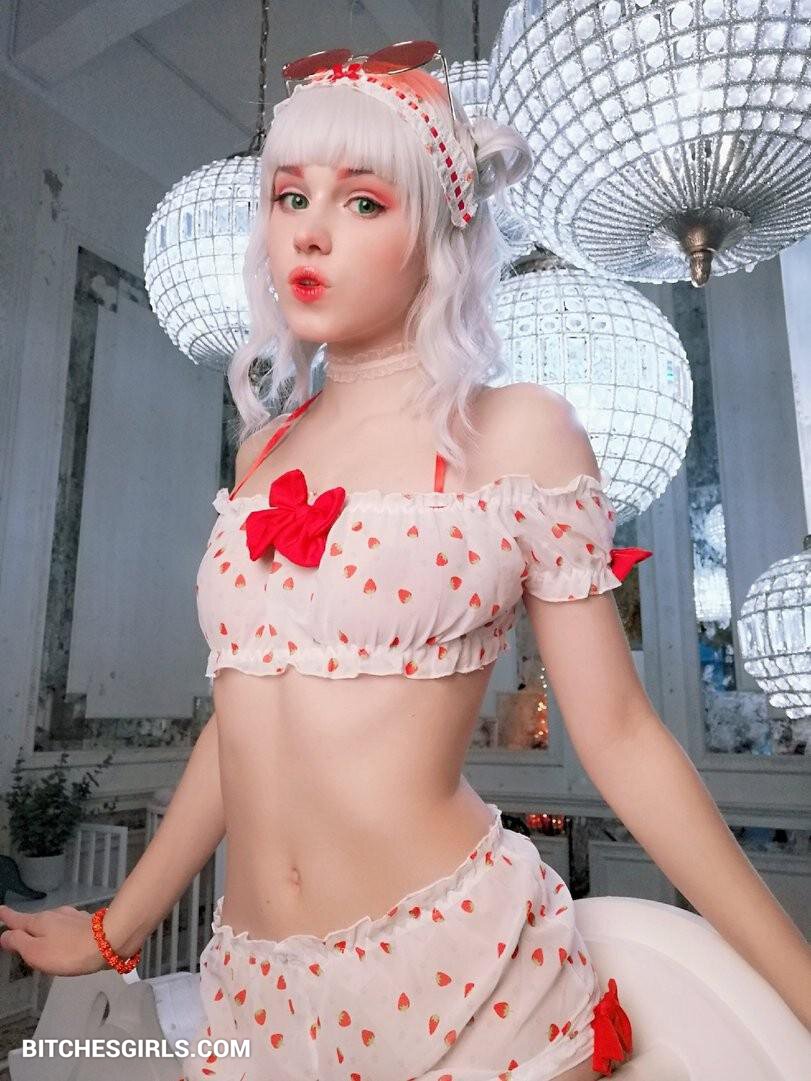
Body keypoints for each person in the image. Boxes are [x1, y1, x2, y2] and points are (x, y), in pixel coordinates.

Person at [2, 44, 809, 1081]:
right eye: (290, 195)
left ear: (439, 233)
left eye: (363, 201)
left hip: (456, 977)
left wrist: (799, 983)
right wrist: (116, 929)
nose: (310, 229)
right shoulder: (263, 453)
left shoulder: (517, 433)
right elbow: (239, 725)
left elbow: (618, 735)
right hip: (254, 991)